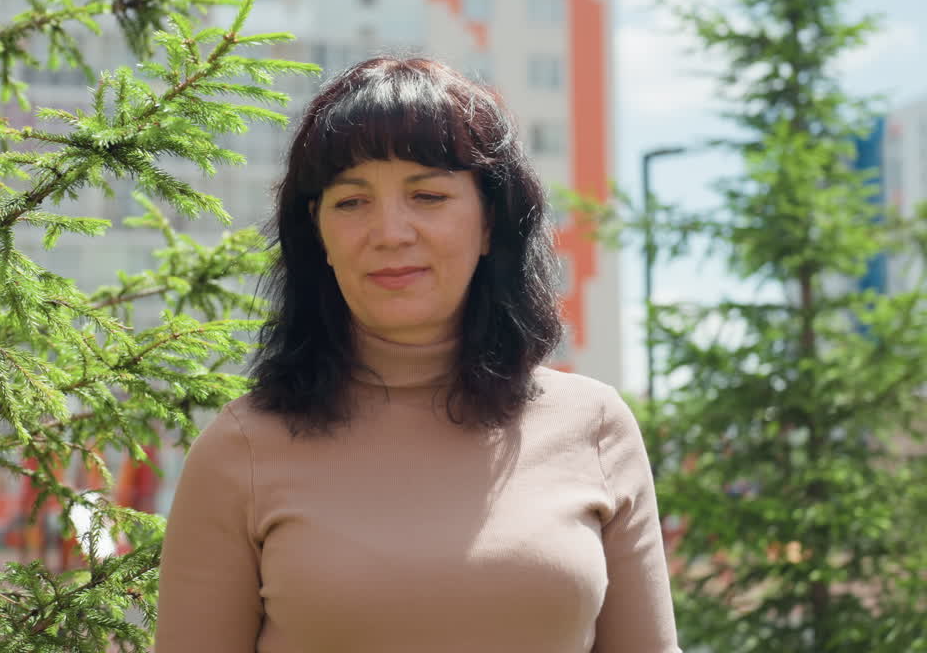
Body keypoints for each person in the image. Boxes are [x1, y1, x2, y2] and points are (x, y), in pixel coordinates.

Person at [153, 56, 681, 653]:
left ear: (489, 224)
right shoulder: (240, 449)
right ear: (319, 235)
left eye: (427, 195)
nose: (390, 232)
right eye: (351, 202)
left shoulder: (594, 426)